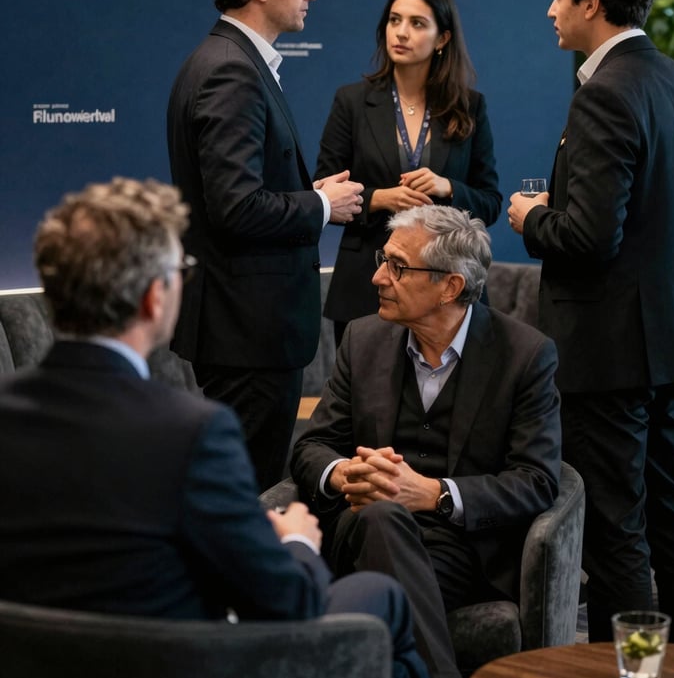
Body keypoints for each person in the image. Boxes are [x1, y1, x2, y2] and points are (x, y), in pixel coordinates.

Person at [0, 177, 427, 678]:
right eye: (181, 270)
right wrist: (296, 543)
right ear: (154, 297)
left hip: (32, 657)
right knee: (381, 596)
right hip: (181, 659)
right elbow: (287, 603)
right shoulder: (193, 432)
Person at [507, 0, 674, 645]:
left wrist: (532, 217)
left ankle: (625, 668)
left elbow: (588, 237)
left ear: (592, 2)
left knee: (614, 527)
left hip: (608, 351)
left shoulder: (604, 94)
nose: (550, 10)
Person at [291, 205, 561, 678]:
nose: (377, 277)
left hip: (461, 548)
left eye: (397, 267)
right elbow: (311, 447)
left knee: (383, 587)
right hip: (358, 529)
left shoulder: (524, 355)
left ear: (450, 287)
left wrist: (435, 494)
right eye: (383, 260)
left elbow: (536, 480)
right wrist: (344, 473)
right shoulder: (362, 339)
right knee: (381, 516)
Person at [167, 0, 364, 490]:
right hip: (247, 333)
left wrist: (312, 196)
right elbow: (236, 208)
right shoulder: (232, 71)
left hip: (245, 329)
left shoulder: (230, 62)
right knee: (246, 496)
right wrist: (323, 207)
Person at [315, 0, 501, 344]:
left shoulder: (469, 106)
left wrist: (447, 188)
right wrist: (381, 198)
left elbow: (490, 203)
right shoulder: (352, 102)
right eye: (394, 20)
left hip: (444, 286)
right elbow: (324, 190)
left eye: (417, 23)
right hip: (367, 282)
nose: (401, 32)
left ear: (442, 38)